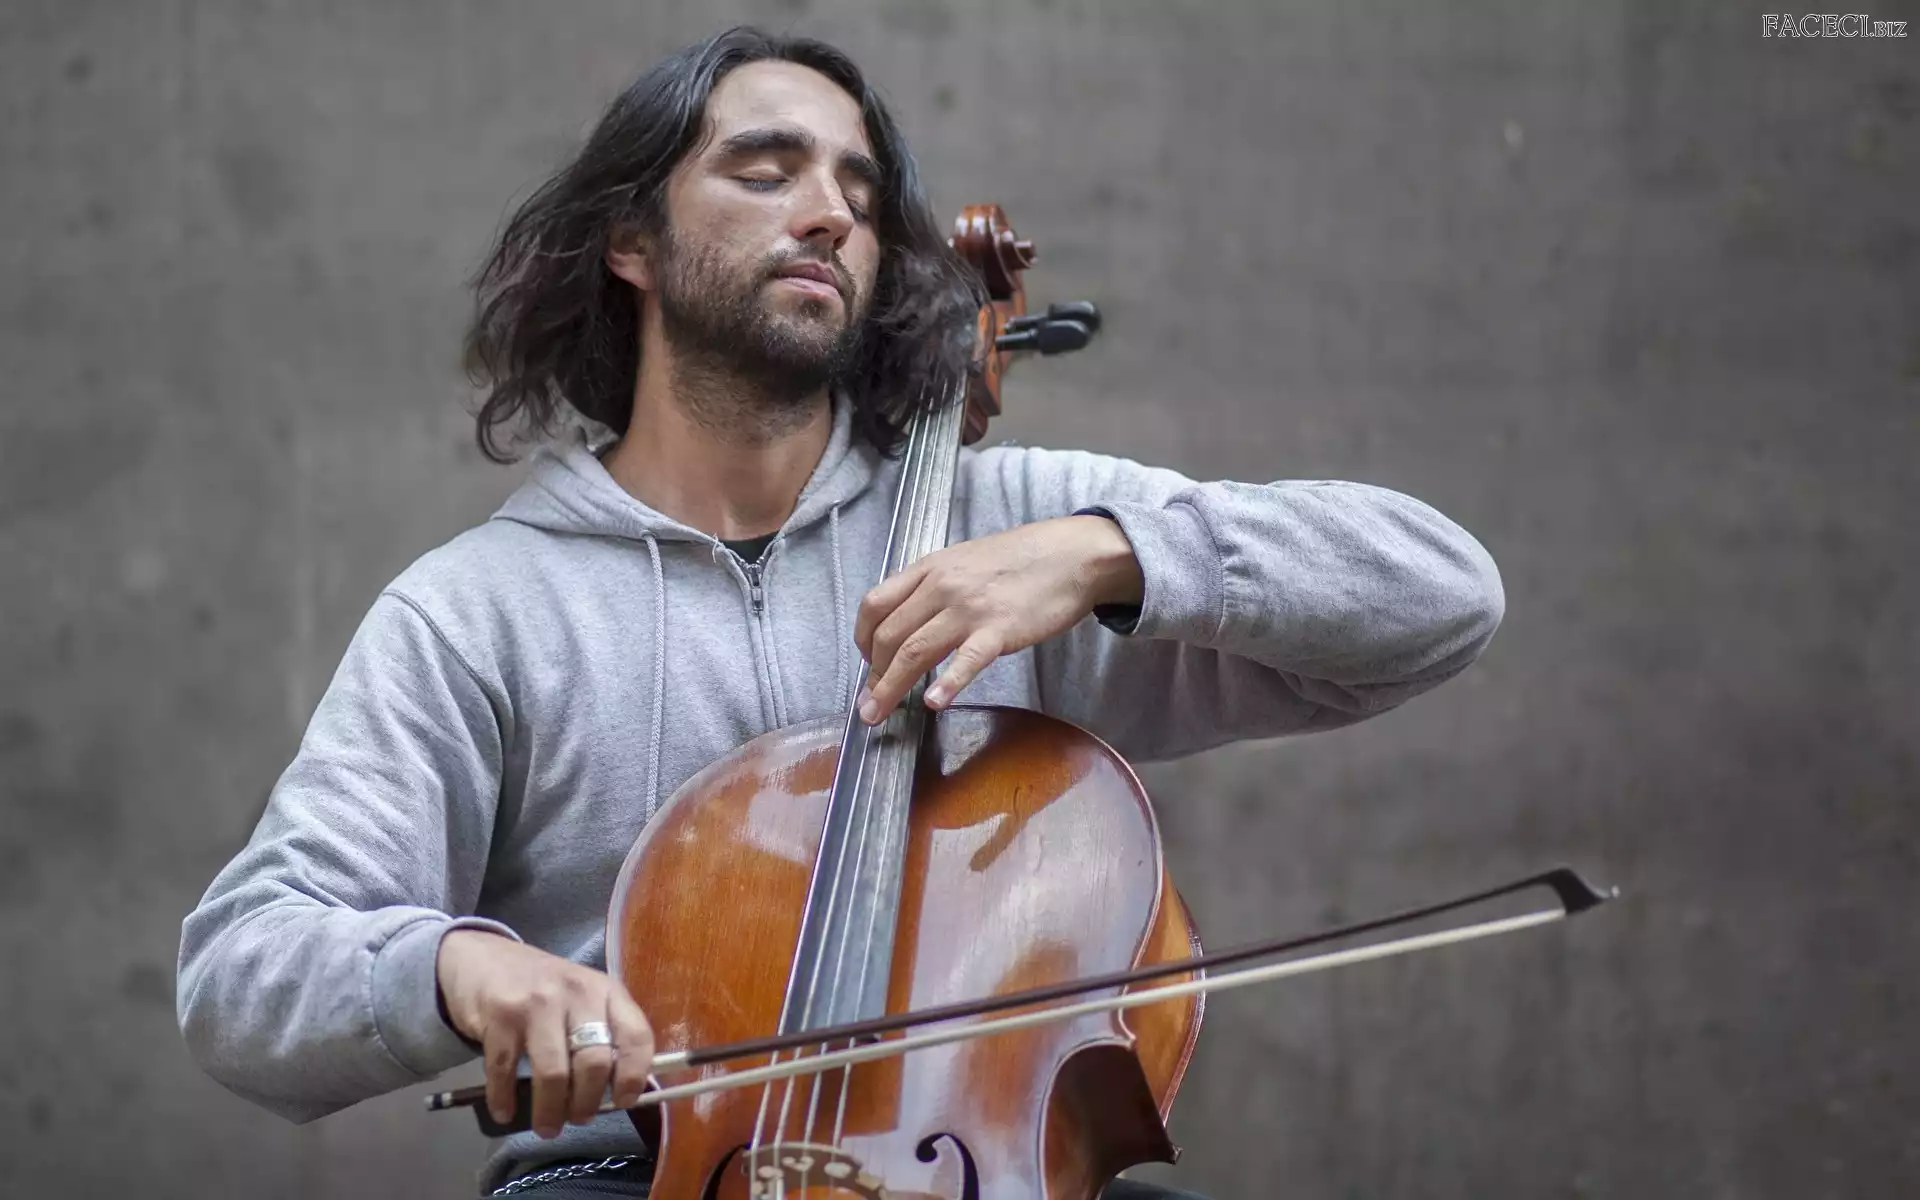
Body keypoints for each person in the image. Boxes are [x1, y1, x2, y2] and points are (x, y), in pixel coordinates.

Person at [176, 25, 1505, 1200]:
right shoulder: (481, 611)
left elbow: (1442, 594)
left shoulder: (1004, 530)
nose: (827, 213)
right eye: (766, 173)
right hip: (631, 1174)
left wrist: (1108, 556)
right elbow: (246, 965)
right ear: (631, 242)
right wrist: (460, 970)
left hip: (981, 1159)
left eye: (858, 194)